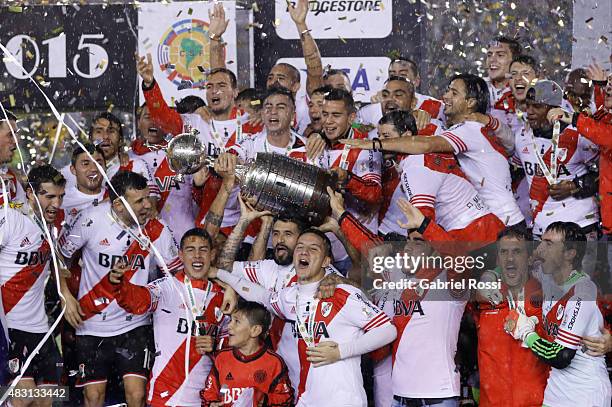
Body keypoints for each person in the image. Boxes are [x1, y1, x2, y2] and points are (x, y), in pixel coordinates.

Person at [214, 229, 397, 406]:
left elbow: (388, 330)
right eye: (300, 246)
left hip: (343, 400)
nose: (304, 251)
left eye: (313, 248)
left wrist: (341, 351)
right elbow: (262, 296)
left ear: (326, 261)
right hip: (307, 397)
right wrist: (217, 274)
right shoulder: (290, 296)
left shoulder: (343, 294)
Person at [327, 187, 469, 407]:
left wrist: (425, 224)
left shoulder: (451, 282)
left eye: (420, 241)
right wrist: (341, 214)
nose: (410, 246)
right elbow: (371, 246)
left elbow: (459, 257)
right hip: (400, 396)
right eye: (409, 240)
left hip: (438, 397)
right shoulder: (397, 276)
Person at [58, 171, 181, 407]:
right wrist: (65, 295)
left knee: (136, 395)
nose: (148, 205)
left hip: (136, 322)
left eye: (147, 198)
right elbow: (59, 257)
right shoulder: (90, 220)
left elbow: (176, 276)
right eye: (140, 201)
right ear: (118, 205)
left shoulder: (157, 229)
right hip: (91, 322)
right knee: (93, 397)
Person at [343, 73, 525, 228]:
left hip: (502, 221)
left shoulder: (469, 129)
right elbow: (509, 145)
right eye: (447, 91)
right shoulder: (469, 128)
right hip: (492, 219)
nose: (445, 97)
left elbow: (426, 145)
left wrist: (375, 144)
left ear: (470, 103)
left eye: (453, 93)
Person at [111, 228, 232, 406]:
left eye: (203, 250)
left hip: (205, 399)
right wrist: (118, 283)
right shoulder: (166, 287)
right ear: (181, 255)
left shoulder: (223, 298)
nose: (197, 256)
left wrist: (215, 346)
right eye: (191, 250)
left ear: (212, 254)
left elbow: (233, 349)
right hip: (164, 395)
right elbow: (137, 301)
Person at [507, 222, 611, 407]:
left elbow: (561, 357)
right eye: (541, 241)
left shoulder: (582, 293)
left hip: (584, 394)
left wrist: (527, 334)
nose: (540, 249)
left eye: (549, 244)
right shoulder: (546, 275)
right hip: (555, 392)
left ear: (570, 254)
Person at [374, 110, 504, 250]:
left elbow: (420, 224)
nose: (380, 142)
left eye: (386, 136)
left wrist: (401, 250)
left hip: (471, 235)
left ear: (406, 136)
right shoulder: (421, 154)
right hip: (487, 227)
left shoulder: (415, 166)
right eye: (378, 136)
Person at [291, 88, 382, 272]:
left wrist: (347, 178)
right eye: (325, 114)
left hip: (354, 251)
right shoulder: (312, 145)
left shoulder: (365, 148)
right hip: (319, 252)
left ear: (351, 117)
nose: (328, 121)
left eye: (336, 115)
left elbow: (374, 194)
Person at [1, 165, 66, 407]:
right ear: (29, 193)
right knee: (23, 397)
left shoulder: (52, 227)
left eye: (60, 197)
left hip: (41, 329)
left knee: (47, 400)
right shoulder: (11, 218)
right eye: (49, 196)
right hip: (12, 328)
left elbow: (59, 266)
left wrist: (66, 293)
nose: (56, 204)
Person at [513, 80, 599, 237]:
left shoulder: (579, 136)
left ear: (554, 109)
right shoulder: (521, 136)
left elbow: (604, 175)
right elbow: (516, 173)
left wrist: (575, 185)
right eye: (528, 105)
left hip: (580, 224)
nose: (529, 112)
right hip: (541, 229)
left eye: (537, 106)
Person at [475, 229, 549, 406]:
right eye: (503, 252)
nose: (509, 258)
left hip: (536, 402)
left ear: (530, 258)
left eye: (517, 251)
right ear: (497, 259)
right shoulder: (482, 296)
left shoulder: (547, 295)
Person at [200, 301, 294, 407]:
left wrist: (265, 401)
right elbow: (209, 393)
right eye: (230, 320)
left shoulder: (274, 363)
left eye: (237, 321)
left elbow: (285, 400)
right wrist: (212, 404)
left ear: (255, 330)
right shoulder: (222, 358)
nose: (229, 326)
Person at [130, 103, 196, 239]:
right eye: (148, 117)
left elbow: (200, 196)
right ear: (138, 123)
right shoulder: (128, 158)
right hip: (142, 239)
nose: (154, 122)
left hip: (182, 237)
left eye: (159, 117)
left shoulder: (184, 154)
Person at [61, 112, 157, 198]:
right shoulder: (71, 172)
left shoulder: (137, 167)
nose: (105, 136)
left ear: (120, 140)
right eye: (99, 131)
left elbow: (151, 207)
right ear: (90, 138)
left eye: (111, 131)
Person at [356, 57, 445, 126]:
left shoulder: (436, 107)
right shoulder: (372, 110)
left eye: (403, 75)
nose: (397, 79)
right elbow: (353, 126)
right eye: (392, 75)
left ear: (416, 81)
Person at [0, 110, 26, 206]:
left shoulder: (12, 179)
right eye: (10, 134)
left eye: (16, 134)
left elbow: (25, 215)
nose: (16, 141)